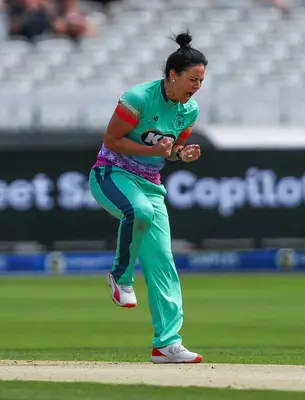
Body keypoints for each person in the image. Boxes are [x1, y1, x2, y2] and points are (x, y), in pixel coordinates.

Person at [88, 31, 207, 363]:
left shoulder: (189, 110)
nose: (197, 87)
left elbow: (169, 151)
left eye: (201, 81)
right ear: (172, 75)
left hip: (150, 183)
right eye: (192, 79)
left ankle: (166, 344)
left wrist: (180, 156)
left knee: (162, 263)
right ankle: (120, 276)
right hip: (111, 174)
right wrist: (151, 149)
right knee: (139, 212)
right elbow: (112, 140)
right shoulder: (138, 98)